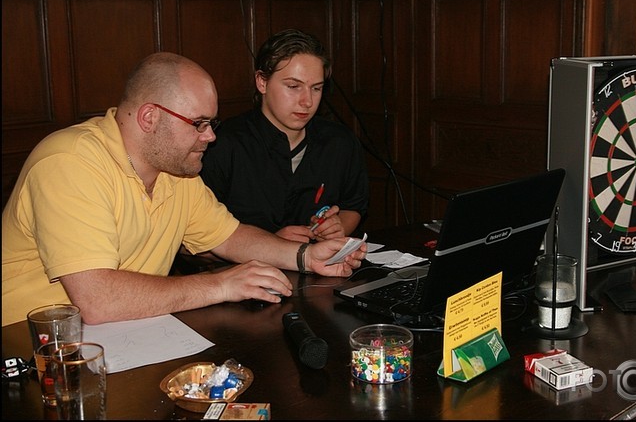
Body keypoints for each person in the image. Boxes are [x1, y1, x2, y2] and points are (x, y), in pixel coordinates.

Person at [1, 51, 367, 327]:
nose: (210, 136)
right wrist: (219, 285)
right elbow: (97, 300)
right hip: (28, 348)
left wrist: (305, 256)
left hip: (121, 335)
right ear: (149, 118)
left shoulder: (179, 172)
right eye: (199, 123)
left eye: (212, 122)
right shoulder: (70, 161)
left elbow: (230, 236)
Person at [200, 29, 369, 243]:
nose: (307, 101)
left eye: (316, 89)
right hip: (239, 272)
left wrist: (337, 227)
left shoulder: (340, 142)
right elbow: (196, 239)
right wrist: (270, 245)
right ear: (262, 82)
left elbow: (353, 206)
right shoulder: (221, 144)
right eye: (293, 86)